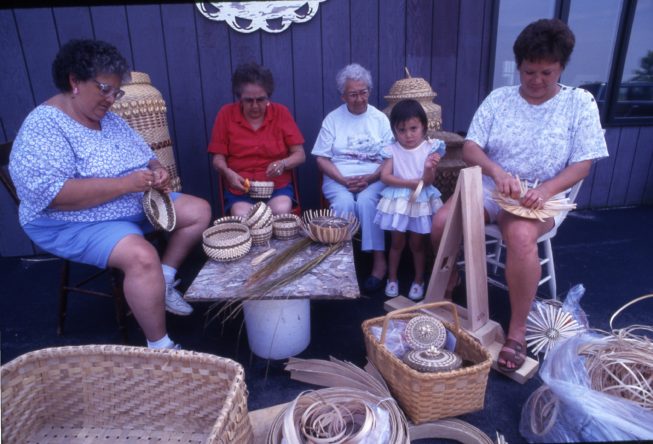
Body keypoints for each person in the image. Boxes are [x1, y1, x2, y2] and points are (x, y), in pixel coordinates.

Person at [9, 39, 212, 349]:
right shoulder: (44, 127)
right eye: (104, 89)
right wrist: (126, 184)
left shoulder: (109, 119)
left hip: (132, 204)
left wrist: (157, 171)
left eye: (115, 92)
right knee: (142, 256)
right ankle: (160, 346)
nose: (111, 100)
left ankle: (165, 278)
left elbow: (146, 155)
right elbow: (54, 195)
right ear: (74, 81)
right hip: (75, 221)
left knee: (199, 210)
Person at [431, 19, 608, 372]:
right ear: (519, 66)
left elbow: (583, 164)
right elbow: (471, 148)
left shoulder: (579, 103)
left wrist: (544, 189)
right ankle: (448, 286)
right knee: (440, 221)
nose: (537, 80)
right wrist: (497, 173)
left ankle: (516, 330)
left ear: (561, 67)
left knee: (521, 235)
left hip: (543, 192)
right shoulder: (500, 99)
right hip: (493, 184)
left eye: (547, 72)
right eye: (529, 72)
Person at [312, 63, 394, 293]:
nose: (359, 98)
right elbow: (321, 159)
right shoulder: (332, 119)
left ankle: (379, 261)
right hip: (339, 178)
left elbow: (390, 158)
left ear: (369, 90)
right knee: (344, 203)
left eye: (363, 92)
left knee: (368, 202)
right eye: (353, 94)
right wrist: (342, 180)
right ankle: (340, 260)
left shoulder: (379, 119)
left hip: (374, 177)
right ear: (343, 96)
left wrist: (371, 178)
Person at [208, 62, 305, 217]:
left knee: (281, 210)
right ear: (239, 97)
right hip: (240, 188)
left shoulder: (281, 113)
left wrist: (283, 163)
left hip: (276, 187)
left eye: (261, 100)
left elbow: (300, 154)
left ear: (268, 96)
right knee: (243, 215)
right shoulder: (226, 114)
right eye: (248, 100)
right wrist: (227, 173)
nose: (255, 106)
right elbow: (218, 158)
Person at [375, 99, 445, 301]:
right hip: (398, 199)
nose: (408, 135)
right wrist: (408, 183)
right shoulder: (392, 149)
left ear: (424, 126)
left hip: (420, 200)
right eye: (402, 130)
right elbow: (385, 176)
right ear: (394, 130)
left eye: (413, 128)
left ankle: (418, 279)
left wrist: (429, 169)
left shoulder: (429, 148)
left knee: (417, 243)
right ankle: (392, 278)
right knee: (396, 242)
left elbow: (429, 180)